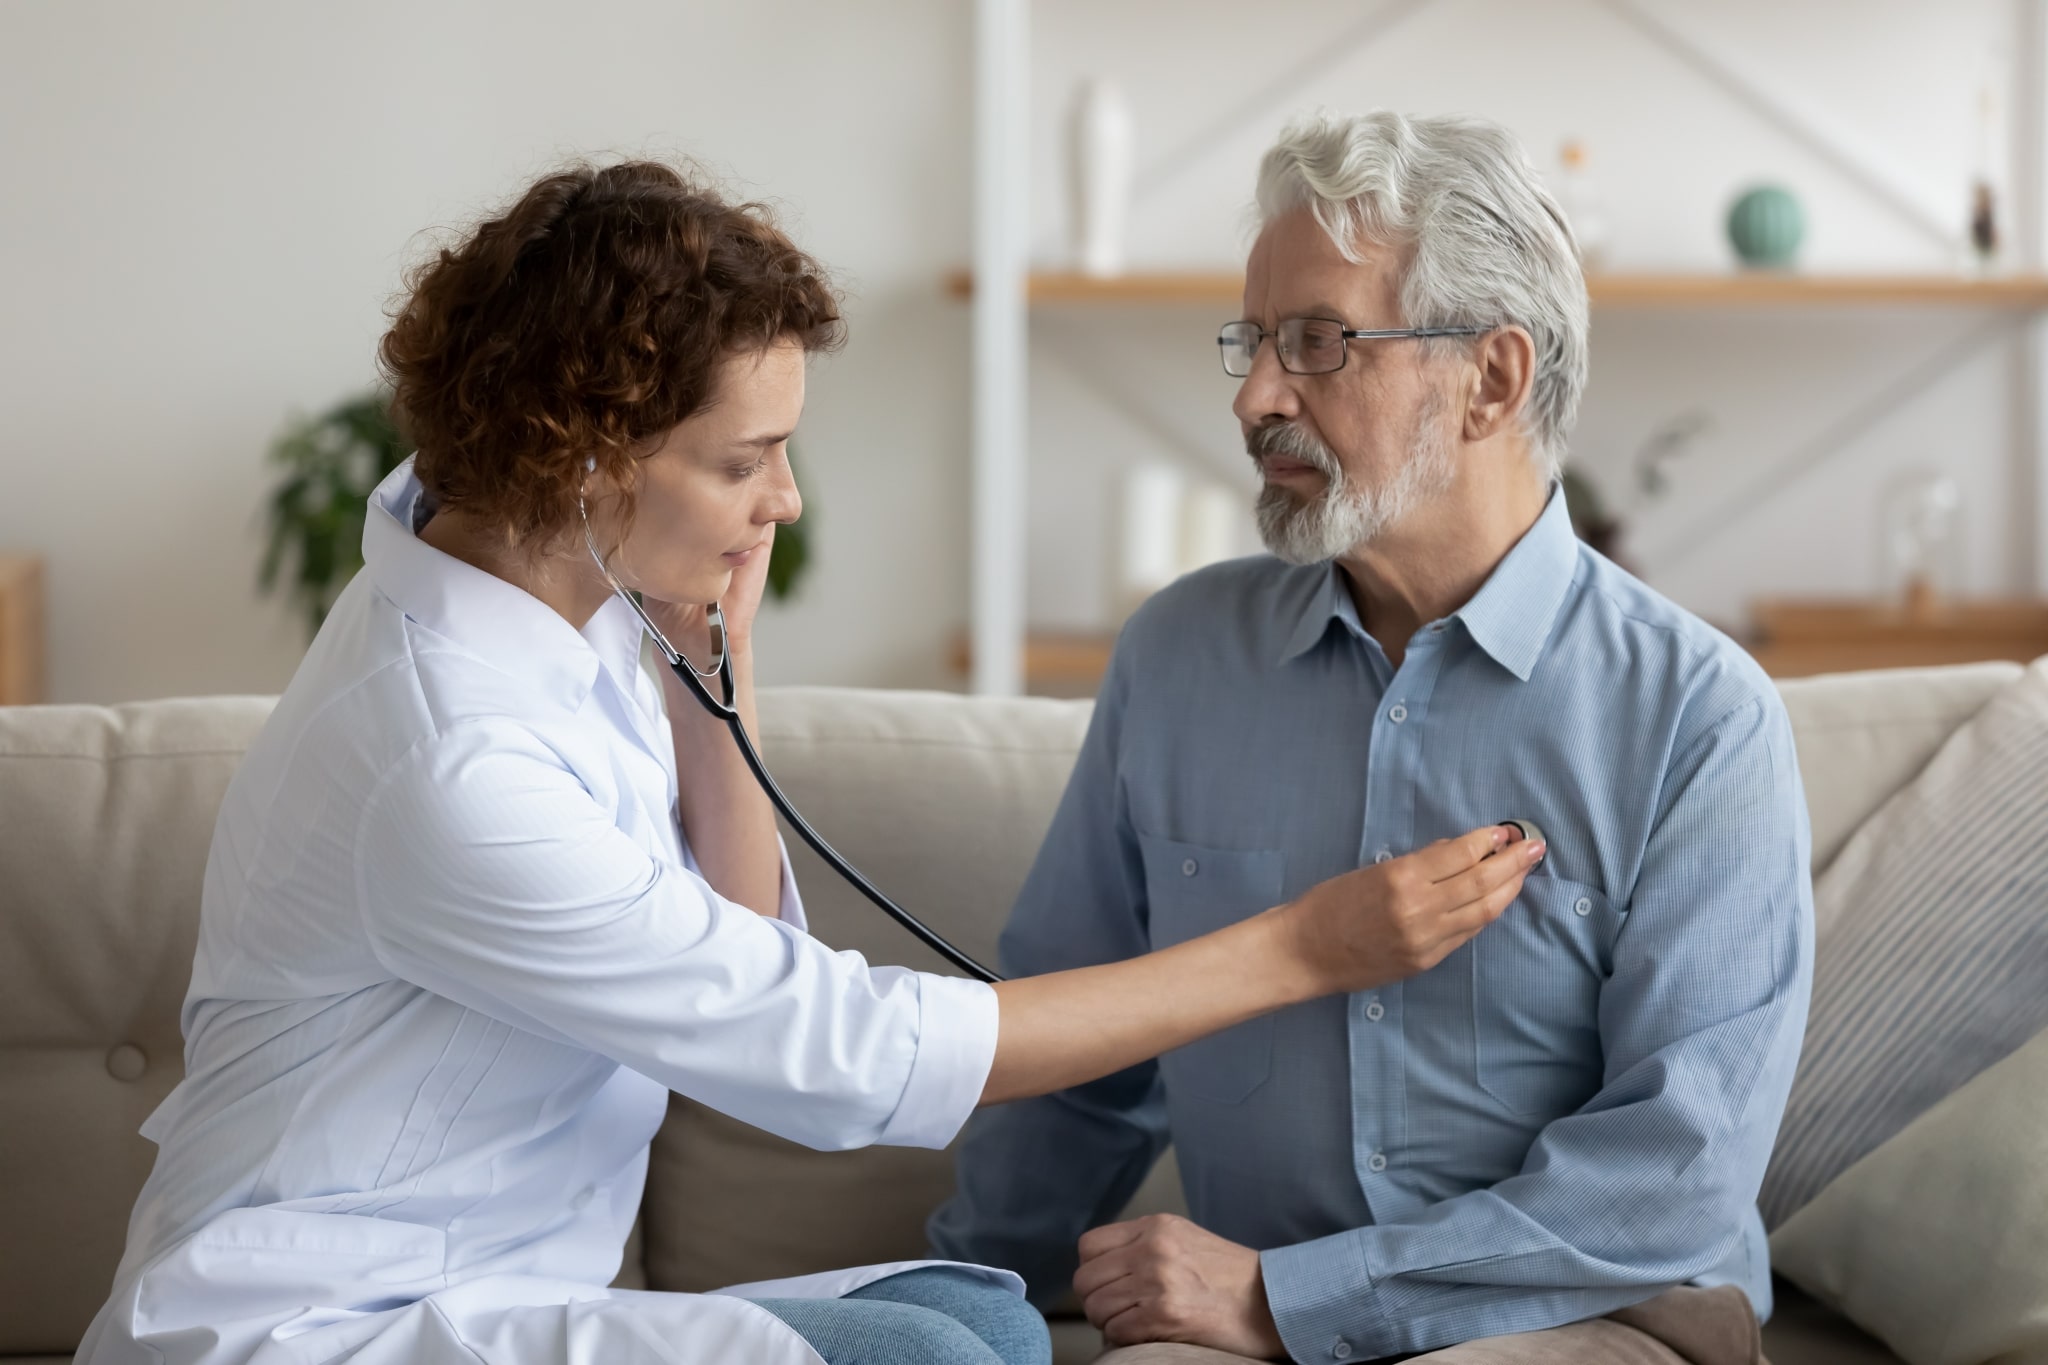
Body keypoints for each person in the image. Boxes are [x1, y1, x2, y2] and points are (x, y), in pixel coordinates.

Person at [74, 160, 1543, 1365]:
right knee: (946, 1358)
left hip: (492, 1296)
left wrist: (716, 665)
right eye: (742, 459)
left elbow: (726, 919)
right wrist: (1310, 943)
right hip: (315, 1333)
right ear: (585, 452)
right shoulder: (449, 757)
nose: (782, 499)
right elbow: (836, 1059)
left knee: (969, 1313)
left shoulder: (521, 572)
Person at [929, 112, 1815, 1365]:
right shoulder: (1178, 659)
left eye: (1317, 343)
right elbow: (1078, 1061)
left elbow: (1669, 1181)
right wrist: (942, 1299)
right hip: (1238, 1308)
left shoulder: (1697, 716)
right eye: (1250, 341)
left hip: (1597, 1310)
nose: (1251, 396)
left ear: (1490, 380)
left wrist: (1293, 1298)